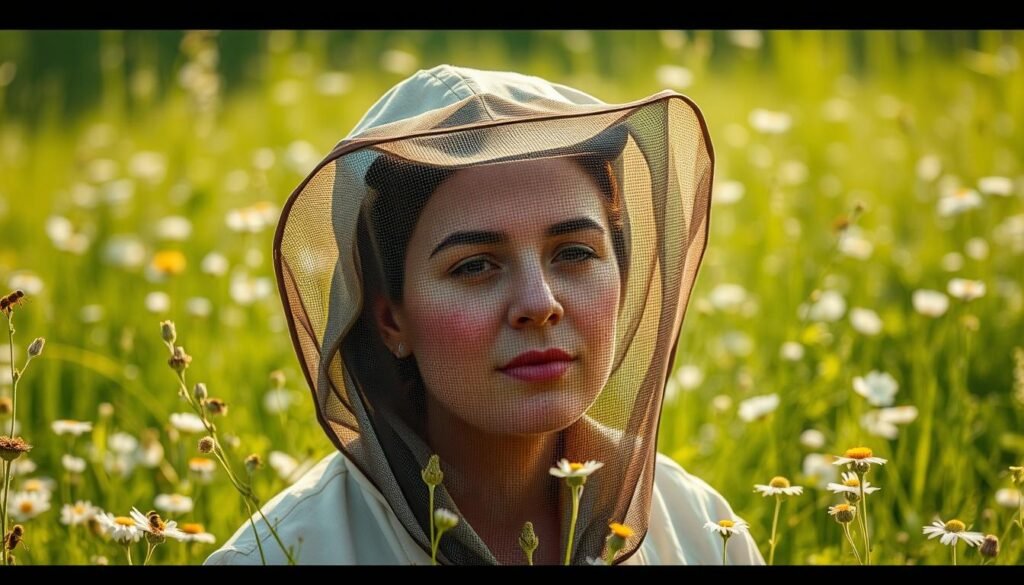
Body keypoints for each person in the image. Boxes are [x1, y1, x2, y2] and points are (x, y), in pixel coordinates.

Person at [205, 64, 763, 565]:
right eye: (475, 266)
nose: (540, 304)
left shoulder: (702, 532)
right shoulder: (287, 554)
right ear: (390, 320)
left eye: (574, 253)